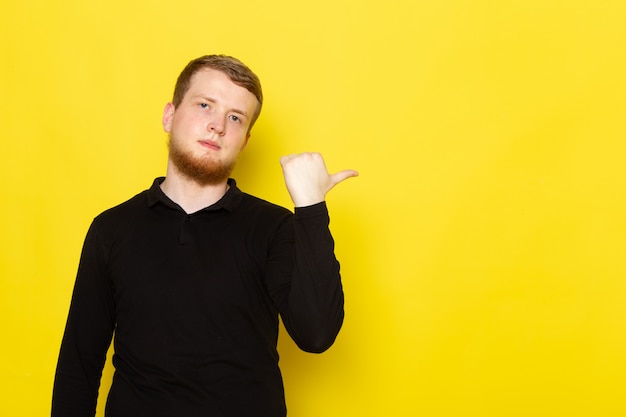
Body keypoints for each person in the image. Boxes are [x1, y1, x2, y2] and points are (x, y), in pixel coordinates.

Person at [52, 54, 357, 417]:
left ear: (244, 140)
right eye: (204, 105)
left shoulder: (274, 229)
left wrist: (310, 208)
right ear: (170, 116)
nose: (217, 126)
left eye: (235, 117)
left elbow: (317, 334)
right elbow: (79, 365)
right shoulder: (111, 229)